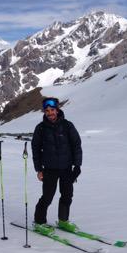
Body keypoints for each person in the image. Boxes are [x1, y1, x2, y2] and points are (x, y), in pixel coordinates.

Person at [32, 97, 83, 234]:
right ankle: (39, 222)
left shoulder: (68, 126)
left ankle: (63, 221)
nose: (50, 113)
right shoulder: (40, 128)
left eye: (52, 110)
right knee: (47, 196)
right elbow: (35, 149)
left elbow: (76, 146)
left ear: (57, 109)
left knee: (67, 195)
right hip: (49, 169)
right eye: (47, 111)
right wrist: (38, 169)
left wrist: (77, 166)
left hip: (66, 168)